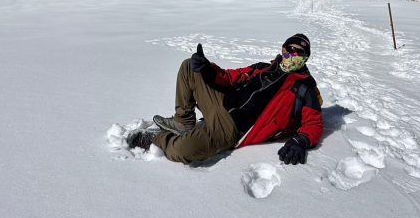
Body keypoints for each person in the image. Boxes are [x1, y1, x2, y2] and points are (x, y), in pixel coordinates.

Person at [125, 34, 323, 165]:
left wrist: (301, 140)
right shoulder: (262, 67)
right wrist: (206, 68)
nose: (293, 54)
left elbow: (313, 122)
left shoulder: (305, 87)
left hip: (233, 129)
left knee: (186, 149)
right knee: (189, 66)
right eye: (290, 48)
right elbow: (230, 77)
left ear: (306, 58)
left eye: (300, 52)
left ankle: (156, 139)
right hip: (221, 103)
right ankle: (183, 122)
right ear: (283, 49)